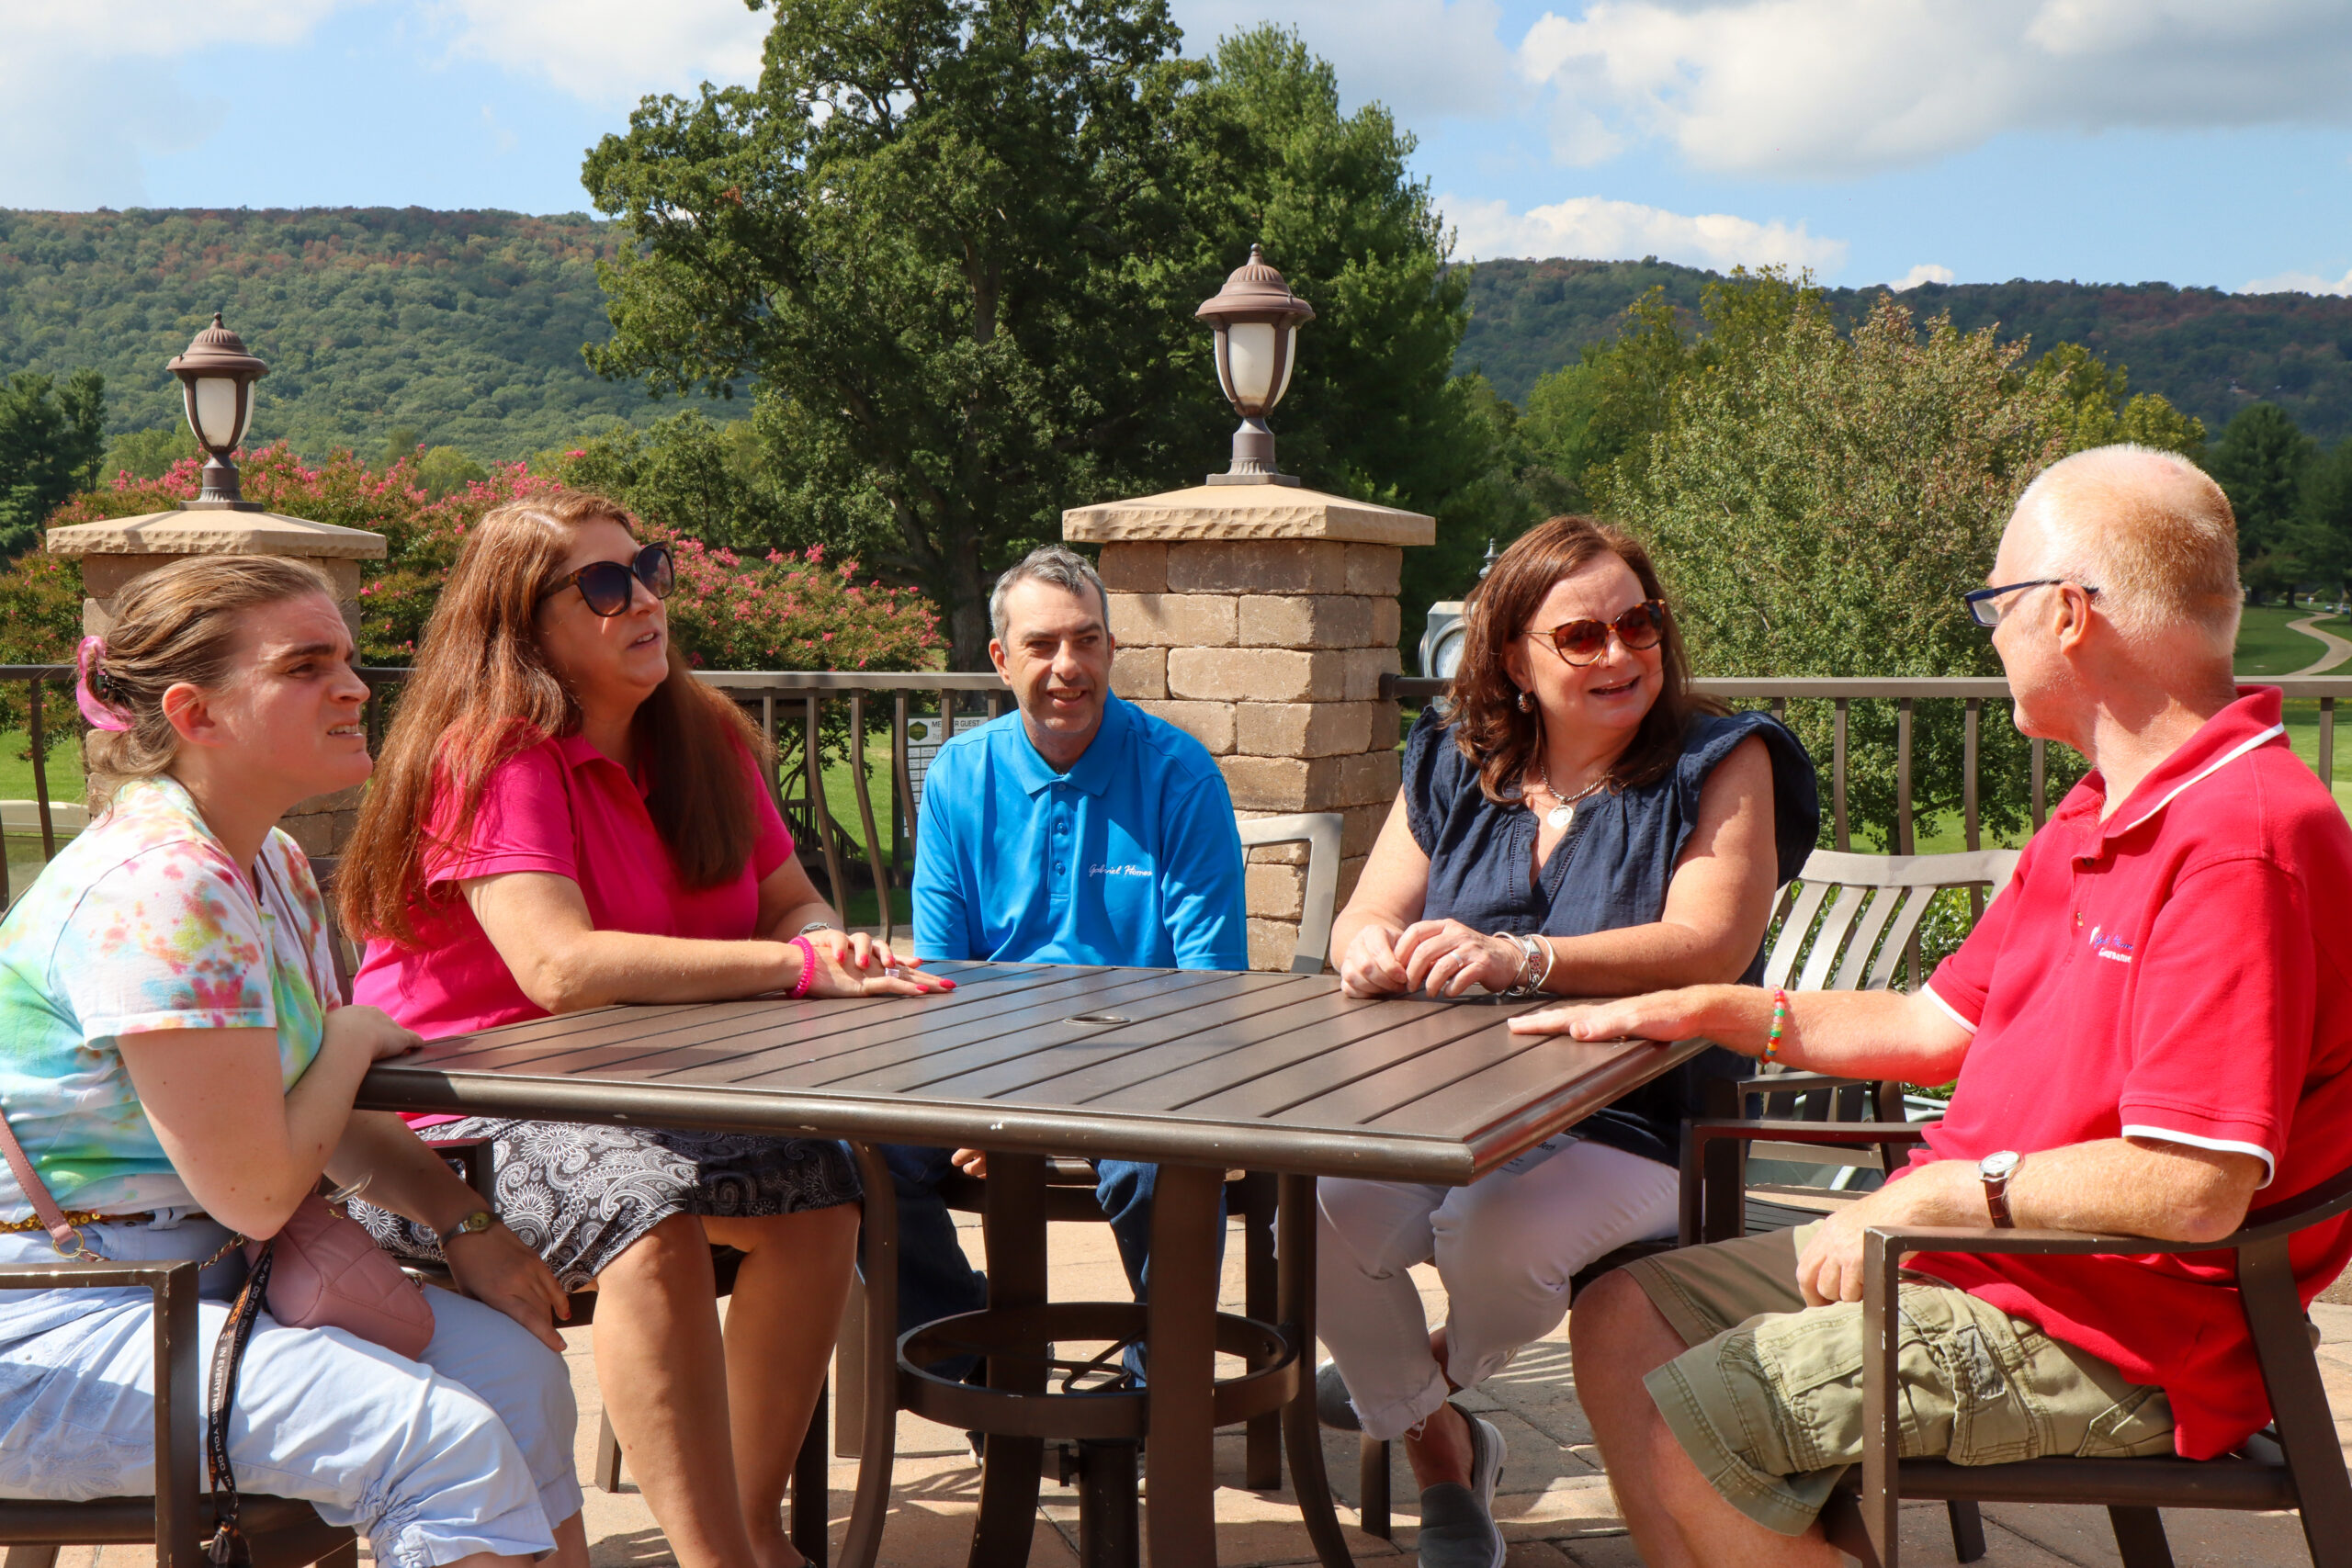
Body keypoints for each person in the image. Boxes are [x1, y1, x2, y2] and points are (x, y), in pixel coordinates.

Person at [1538, 446, 2352, 1568]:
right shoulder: (2095, 811)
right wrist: (1707, 1008)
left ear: (2067, 615)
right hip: (1981, 1261)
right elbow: (1935, 1028)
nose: (1991, 633)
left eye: (1996, 604)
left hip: (2113, 1329)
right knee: (1623, 1318)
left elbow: (2195, 1184)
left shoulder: (2240, 840)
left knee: (1703, 1413)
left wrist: (1929, 1195)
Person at [338, 490, 936, 1568]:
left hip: (628, 1093)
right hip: (449, 1117)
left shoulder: (702, 739)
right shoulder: (494, 754)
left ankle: (749, 1528)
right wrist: (792, 971)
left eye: (649, 569)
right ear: (524, 622)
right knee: (643, 1212)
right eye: (604, 585)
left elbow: (786, 901)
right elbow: (556, 967)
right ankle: (717, 1560)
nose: (643, 599)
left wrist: (828, 943)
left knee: (820, 1192)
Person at [0, 556, 586, 1568]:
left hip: (208, 1293)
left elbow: (325, 1118)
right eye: (307, 666)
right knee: (437, 1444)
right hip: (58, 1335)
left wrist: (466, 1225)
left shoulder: (261, 862)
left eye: (349, 660)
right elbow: (259, 1191)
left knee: (520, 1382)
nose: (356, 688)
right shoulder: (163, 886)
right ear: (196, 714)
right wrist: (354, 1033)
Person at [1317, 513, 1819, 1568]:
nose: (1620, 654)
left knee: (1489, 1237)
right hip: (1452, 1106)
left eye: (1636, 625)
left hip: (1646, 1120)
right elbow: (1360, 918)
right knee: (1321, 1214)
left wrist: (1524, 958)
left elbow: (1708, 942)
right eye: (1581, 637)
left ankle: (1426, 1378)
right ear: (1513, 659)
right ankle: (1441, 1448)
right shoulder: (1458, 763)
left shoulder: (1723, 758)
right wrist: (1366, 951)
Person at [897, 544, 1246, 1381]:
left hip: (1147, 1066)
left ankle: (1155, 1391)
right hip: (997, 1069)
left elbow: (1208, 988)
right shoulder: (959, 775)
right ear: (999, 659)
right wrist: (984, 1104)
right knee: (851, 1155)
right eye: (1043, 645)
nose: (1068, 667)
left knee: (1165, 1165)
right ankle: (977, 1361)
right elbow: (947, 978)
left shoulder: (1180, 775)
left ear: (1111, 649)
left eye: (1087, 641)